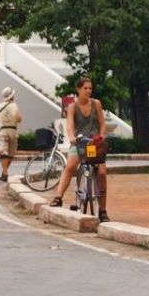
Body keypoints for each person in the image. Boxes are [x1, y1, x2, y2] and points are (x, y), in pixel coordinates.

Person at [49, 76, 110, 222]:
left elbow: (102, 124)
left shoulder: (96, 104)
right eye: (85, 88)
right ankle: (58, 197)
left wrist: (101, 136)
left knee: (102, 173)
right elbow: (70, 125)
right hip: (80, 143)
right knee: (70, 167)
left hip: (95, 144)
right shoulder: (72, 107)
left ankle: (102, 209)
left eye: (90, 88)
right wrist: (72, 137)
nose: (88, 91)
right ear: (78, 89)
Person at [0, 86, 22, 182]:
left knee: (3, 152)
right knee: (11, 153)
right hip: (13, 131)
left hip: (3, 131)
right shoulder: (15, 106)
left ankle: (4, 173)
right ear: (12, 96)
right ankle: (5, 173)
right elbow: (19, 119)